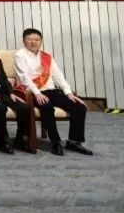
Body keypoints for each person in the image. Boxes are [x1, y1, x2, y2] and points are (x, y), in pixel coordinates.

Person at [13, 28, 92, 156]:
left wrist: (68, 93)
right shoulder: (20, 55)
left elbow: (57, 75)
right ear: (24, 41)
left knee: (79, 107)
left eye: (36, 39)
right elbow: (24, 78)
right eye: (30, 39)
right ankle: (56, 142)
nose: (33, 42)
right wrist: (37, 93)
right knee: (47, 107)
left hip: (51, 90)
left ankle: (74, 141)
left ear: (41, 41)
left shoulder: (46, 56)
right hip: (32, 92)